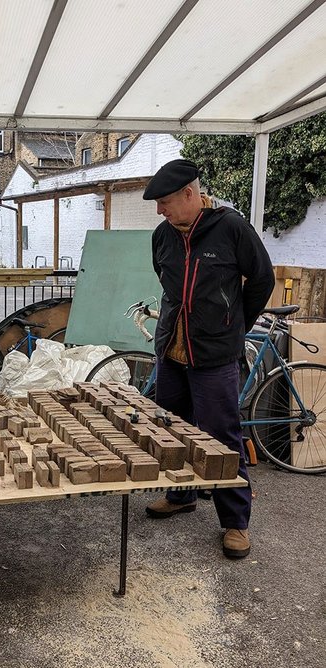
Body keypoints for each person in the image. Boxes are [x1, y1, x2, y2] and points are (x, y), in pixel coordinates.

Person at [142, 159, 275, 559]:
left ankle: (235, 522)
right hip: (173, 349)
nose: (159, 210)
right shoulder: (162, 236)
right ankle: (181, 495)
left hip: (215, 355)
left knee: (222, 436)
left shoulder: (232, 228)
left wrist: (233, 326)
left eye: (164, 201)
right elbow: (168, 287)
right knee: (175, 429)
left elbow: (262, 280)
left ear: (190, 194)